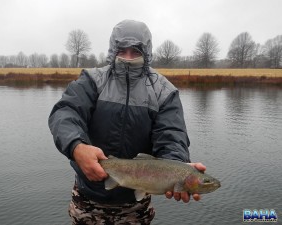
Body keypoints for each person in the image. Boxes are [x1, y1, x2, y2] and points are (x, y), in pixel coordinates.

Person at [48, 19, 206, 225]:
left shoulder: (163, 92)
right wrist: (77, 147)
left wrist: (177, 169)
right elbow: (65, 113)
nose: (129, 58)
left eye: (136, 51)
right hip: (87, 197)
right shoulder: (92, 80)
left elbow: (172, 138)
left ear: (147, 52)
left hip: (136, 205)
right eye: (122, 50)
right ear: (113, 50)